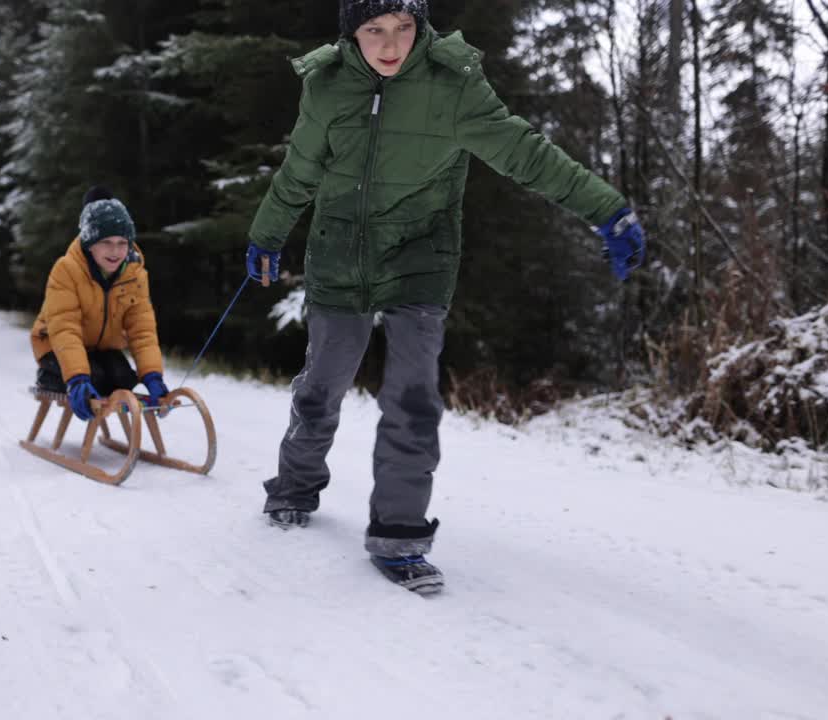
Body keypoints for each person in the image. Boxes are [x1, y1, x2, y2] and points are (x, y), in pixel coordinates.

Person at [244, 0, 646, 593]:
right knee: (323, 386)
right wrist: (267, 232)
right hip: (338, 254)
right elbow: (300, 168)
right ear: (351, 32)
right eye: (374, 29)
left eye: (404, 28)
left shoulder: (453, 85)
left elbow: (525, 152)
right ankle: (295, 486)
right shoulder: (327, 87)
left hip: (419, 257)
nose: (391, 44)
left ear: (420, 26)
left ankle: (400, 536)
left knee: (412, 395)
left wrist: (605, 209)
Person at [29, 187, 169, 421]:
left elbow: (142, 330)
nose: (115, 251)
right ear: (90, 243)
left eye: (122, 243)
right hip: (55, 345)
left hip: (100, 348)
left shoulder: (135, 274)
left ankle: (88, 374)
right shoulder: (67, 270)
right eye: (106, 242)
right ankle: (50, 376)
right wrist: (77, 378)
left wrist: (152, 375)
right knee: (93, 378)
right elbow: (65, 328)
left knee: (123, 379)